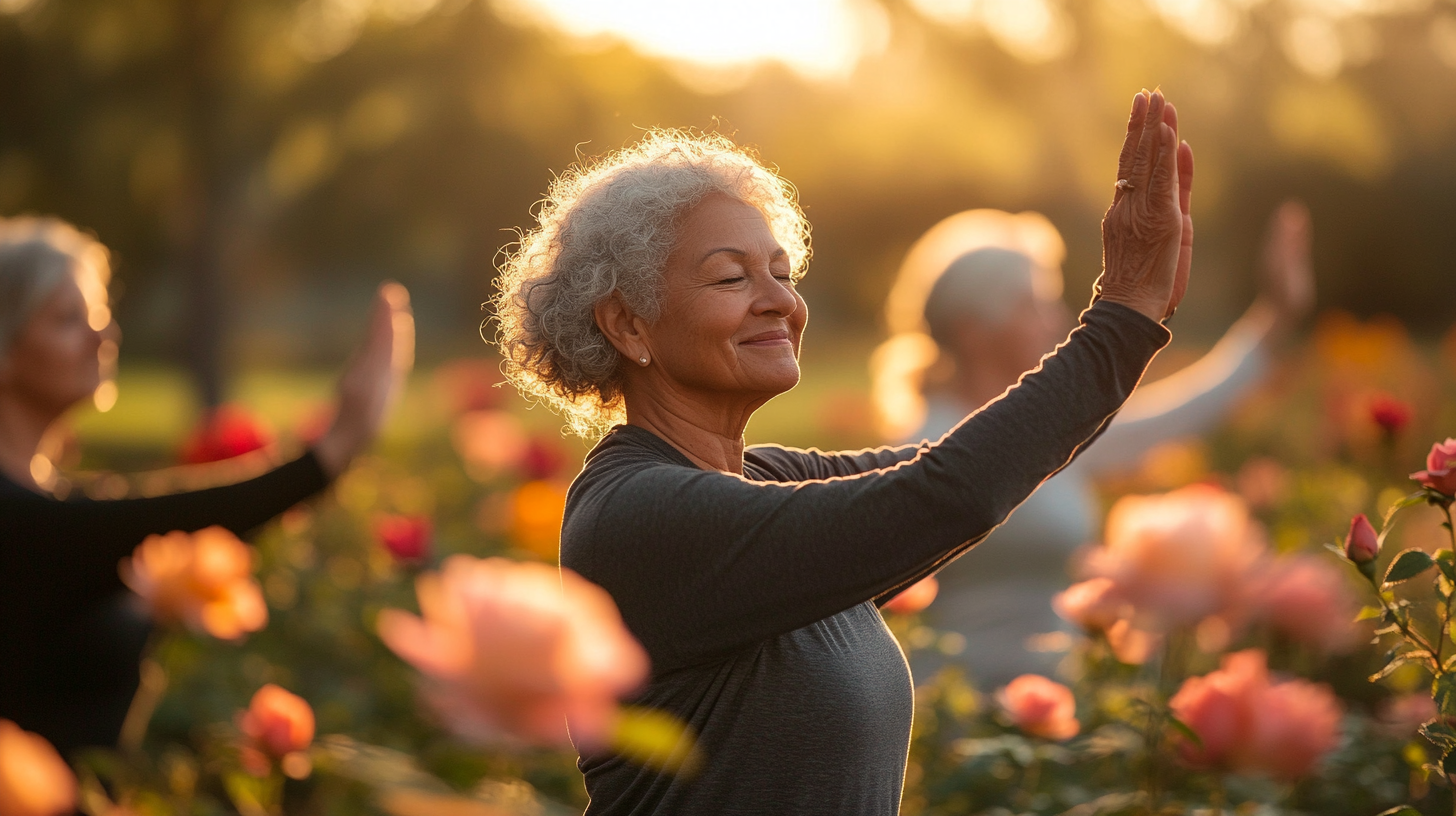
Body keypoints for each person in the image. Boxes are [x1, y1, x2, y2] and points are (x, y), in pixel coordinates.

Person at [493, 90, 1191, 815]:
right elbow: (949, 493)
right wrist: (1121, 316)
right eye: (732, 277)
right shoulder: (642, 515)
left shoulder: (765, 477)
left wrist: (1140, 319)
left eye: (782, 273)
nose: (781, 302)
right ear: (628, 325)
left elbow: (976, 462)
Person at [0, 216, 414, 757]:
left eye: (98, 314)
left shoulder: (52, 501)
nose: (103, 335)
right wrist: (327, 455)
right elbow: (142, 521)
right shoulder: (21, 520)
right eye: (66, 319)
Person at [871, 202, 1313, 686]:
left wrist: (1276, 317)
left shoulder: (1052, 429)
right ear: (972, 331)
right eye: (1032, 306)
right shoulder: (922, 445)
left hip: (1057, 700)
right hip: (953, 706)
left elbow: (1179, 415)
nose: (1057, 319)